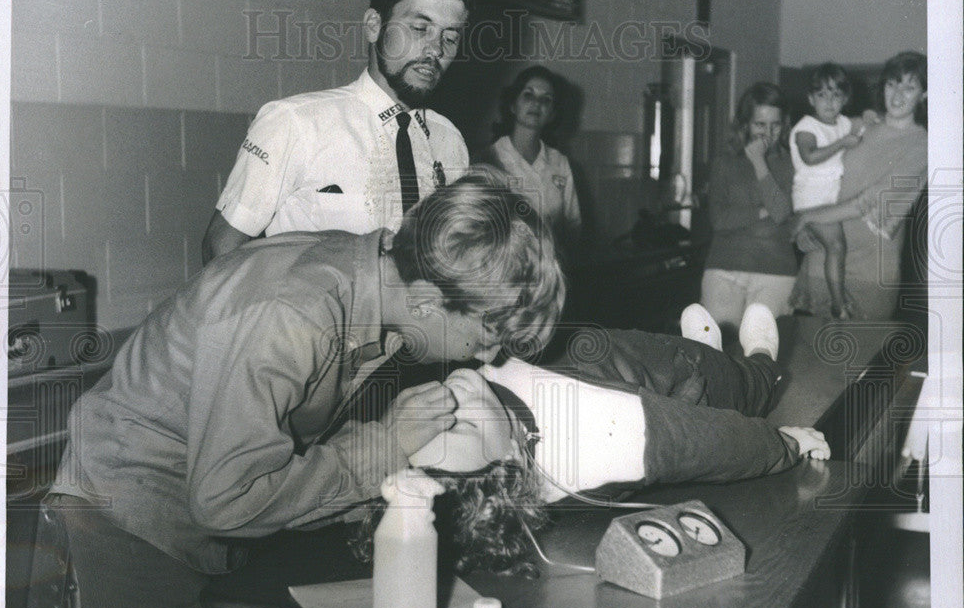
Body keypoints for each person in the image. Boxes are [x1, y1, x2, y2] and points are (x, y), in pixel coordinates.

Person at [45, 172, 565, 608]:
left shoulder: (371, 283)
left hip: (194, 500)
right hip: (129, 506)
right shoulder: (294, 311)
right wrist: (386, 445)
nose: (487, 357)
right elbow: (226, 501)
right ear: (427, 300)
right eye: (486, 333)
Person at [354, 302, 829, 576]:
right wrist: (784, 445)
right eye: (462, 424)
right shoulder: (601, 440)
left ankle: (704, 348)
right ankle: (763, 362)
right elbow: (714, 444)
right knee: (740, 386)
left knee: (686, 358)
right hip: (670, 386)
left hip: (628, 362)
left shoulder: (487, 406)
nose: (448, 400)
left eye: (422, 414)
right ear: (509, 466)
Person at [201, 0, 473, 263]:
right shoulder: (296, 122)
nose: (435, 49)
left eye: (449, 38)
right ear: (374, 26)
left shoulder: (449, 141)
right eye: (420, 28)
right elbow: (220, 249)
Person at [790, 51, 928, 320]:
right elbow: (809, 167)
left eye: (909, 87)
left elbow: (869, 201)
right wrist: (809, 222)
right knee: (807, 357)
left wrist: (807, 218)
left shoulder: (922, 145)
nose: (898, 95)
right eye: (891, 84)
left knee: (861, 358)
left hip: (870, 270)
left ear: (923, 95)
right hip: (823, 259)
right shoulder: (858, 126)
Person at [701, 82, 798, 335]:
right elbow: (719, 220)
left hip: (776, 271)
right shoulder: (724, 162)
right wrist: (760, 211)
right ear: (745, 124)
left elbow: (779, 213)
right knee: (716, 352)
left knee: (761, 354)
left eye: (775, 125)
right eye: (760, 125)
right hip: (723, 268)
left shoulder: (790, 162)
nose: (768, 133)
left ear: (784, 125)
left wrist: (758, 162)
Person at [789, 63, 877, 319]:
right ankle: (839, 306)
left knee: (834, 247)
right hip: (811, 201)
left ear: (845, 99)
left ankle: (836, 302)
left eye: (836, 95)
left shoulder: (841, 122)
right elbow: (809, 157)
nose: (829, 102)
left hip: (829, 199)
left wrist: (869, 116)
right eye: (822, 95)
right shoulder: (806, 127)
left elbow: (861, 121)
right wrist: (841, 143)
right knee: (836, 247)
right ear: (810, 99)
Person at [486, 65, 582, 259]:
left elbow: (573, 227)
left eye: (546, 100)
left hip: (552, 274)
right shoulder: (490, 159)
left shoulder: (559, 162)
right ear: (513, 105)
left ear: (552, 113)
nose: (537, 104)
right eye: (528, 95)